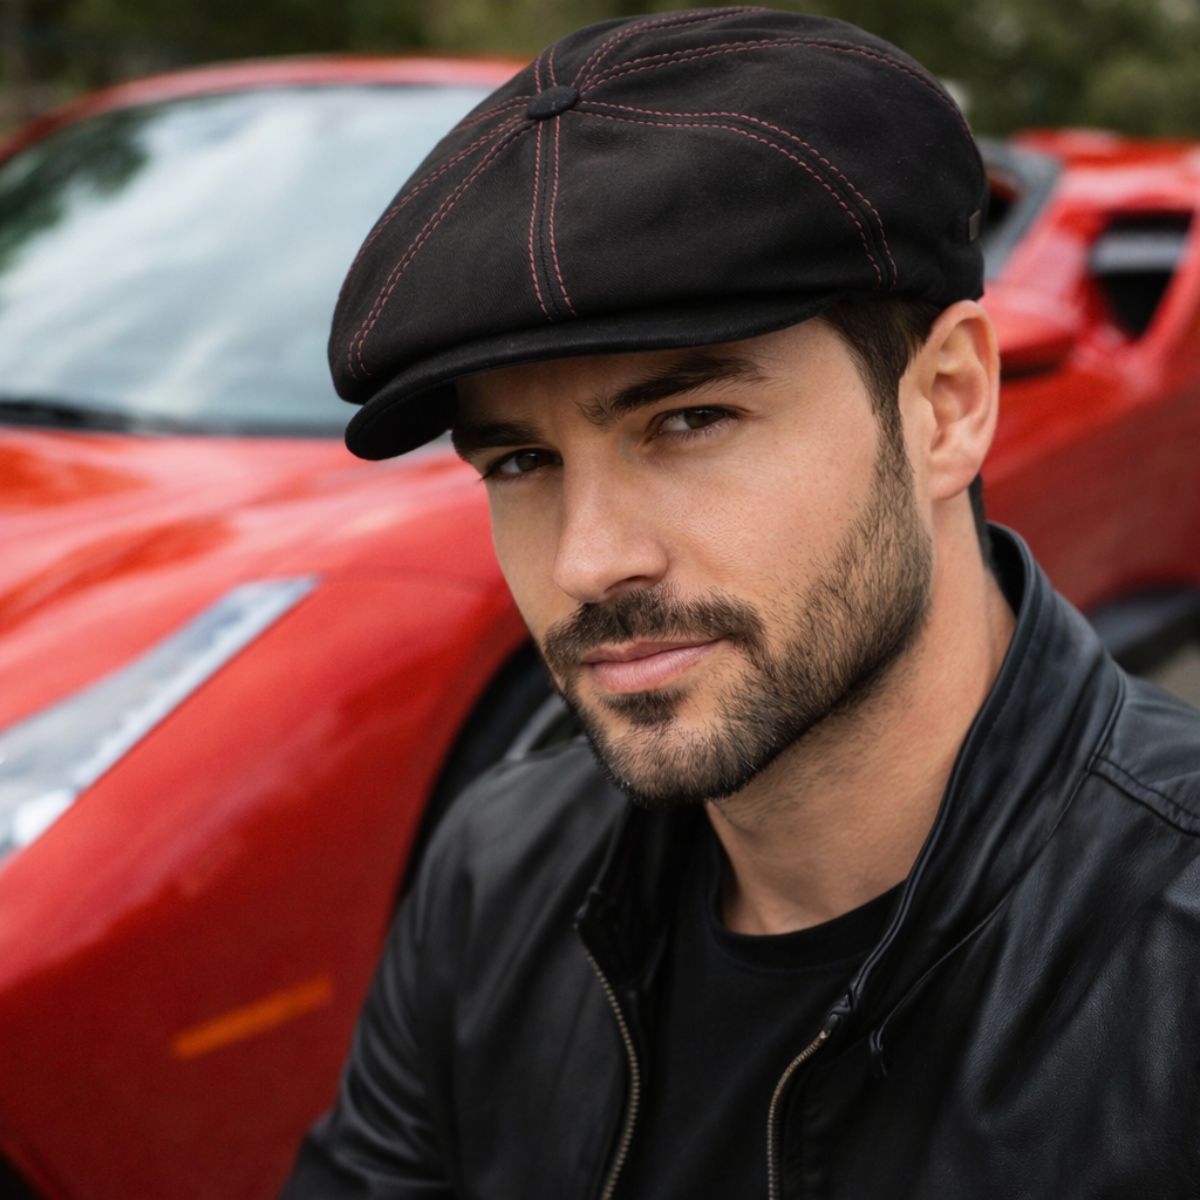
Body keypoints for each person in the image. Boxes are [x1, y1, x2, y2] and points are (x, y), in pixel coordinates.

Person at [282, 8, 1200, 1198]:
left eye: (690, 422)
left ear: (948, 404)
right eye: (519, 463)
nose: (587, 562)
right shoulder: (494, 877)